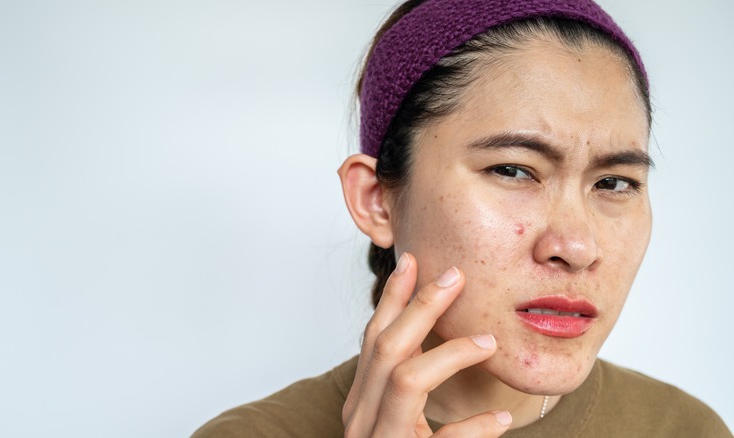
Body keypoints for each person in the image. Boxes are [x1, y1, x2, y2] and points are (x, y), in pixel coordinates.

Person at [193, 0, 732, 436]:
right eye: (514, 171)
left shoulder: (685, 429)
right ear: (376, 199)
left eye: (614, 183)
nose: (577, 245)